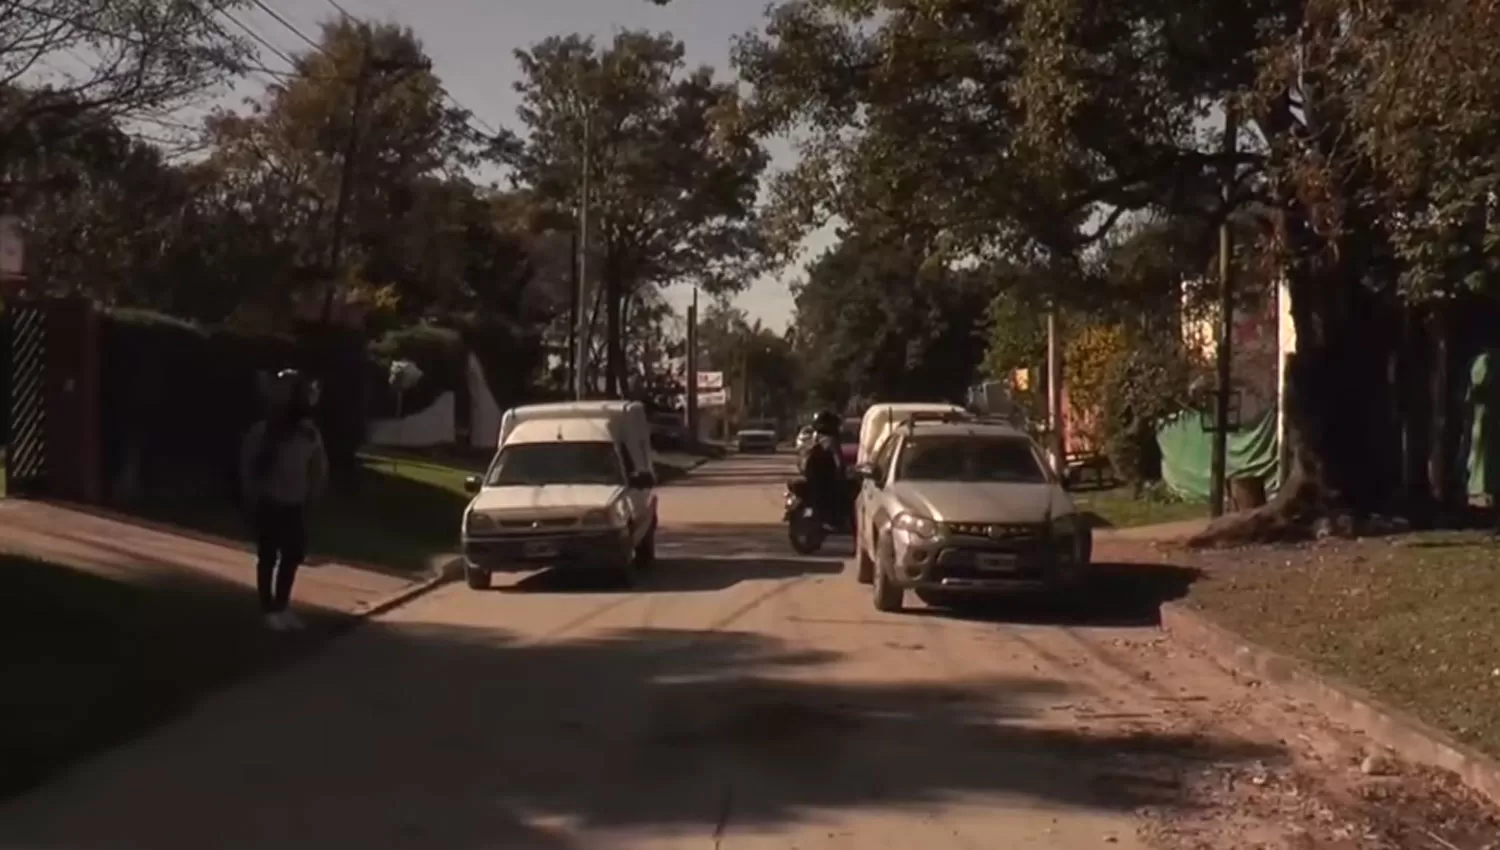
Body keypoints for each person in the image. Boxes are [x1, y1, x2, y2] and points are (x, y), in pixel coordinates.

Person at [240, 369, 328, 631]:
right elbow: (250, 460)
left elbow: (317, 464)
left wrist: (314, 491)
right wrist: (251, 491)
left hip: (295, 502)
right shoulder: (268, 429)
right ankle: (268, 608)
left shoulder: (308, 432)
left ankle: (282, 605)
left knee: (292, 554)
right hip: (270, 498)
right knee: (268, 555)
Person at [801, 410, 847, 528]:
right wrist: (842, 469)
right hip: (820, 474)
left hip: (814, 472)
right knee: (839, 491)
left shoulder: (817, 437)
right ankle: (832, 519)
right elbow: (838, 459)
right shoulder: (829, 440)